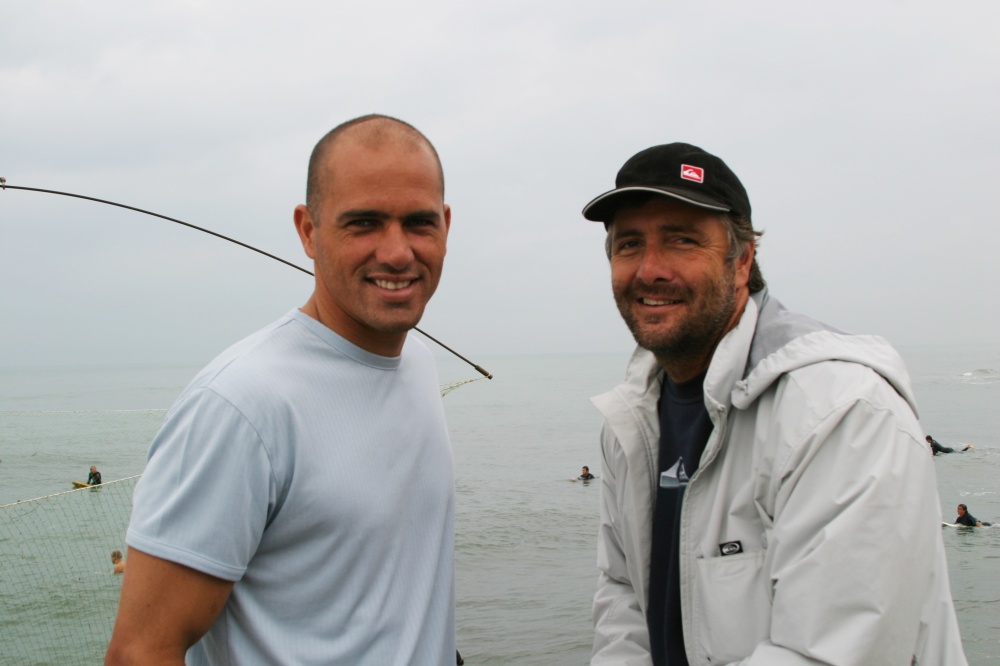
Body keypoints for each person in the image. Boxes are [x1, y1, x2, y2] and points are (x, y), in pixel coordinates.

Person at [582, 142, 966, 665]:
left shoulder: (840, 411)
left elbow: (830, 652)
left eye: (682, 240)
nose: (650, 269)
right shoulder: (631, 420)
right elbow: (623, 599)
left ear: (742, 260)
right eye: (629, 244)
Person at [106, 115, 457, 665]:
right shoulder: (242, 405)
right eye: (363, 223)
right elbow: (141, 650)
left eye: (419, 223)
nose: (396, 252)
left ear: (446, 226)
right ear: (308, 231)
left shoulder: (418, 363)